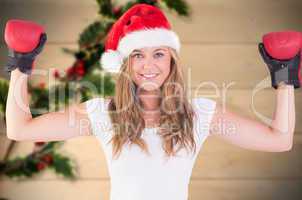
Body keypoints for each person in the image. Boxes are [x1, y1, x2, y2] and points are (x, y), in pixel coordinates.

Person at [4, 3, 298, 200]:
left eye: (158, 53)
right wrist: (22, 64)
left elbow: (280, 140)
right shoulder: (103, 113)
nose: (148, 65)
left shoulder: (200, 113)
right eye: (137, 55)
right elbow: (20, 130)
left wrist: (283, 76)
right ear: (126, 63)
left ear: (172, 60)